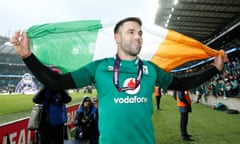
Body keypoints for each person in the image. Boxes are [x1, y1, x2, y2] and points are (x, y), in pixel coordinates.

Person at [11, 17, 228, 144]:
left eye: (140, 33)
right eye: (131, 32)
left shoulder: (150, 69)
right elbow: (57, 83)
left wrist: (214, 69)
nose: (137, 37)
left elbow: (182, 83)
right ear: (117, 38)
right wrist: (27, 56)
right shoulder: (99, 67)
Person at [32, 68, 72, 144]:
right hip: (44, 124)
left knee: (58, 141)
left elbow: (67, 99)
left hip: (58, 123)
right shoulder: (45, 89)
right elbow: (35, 100)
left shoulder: (61, 90)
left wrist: (59, 87)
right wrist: (46, 86)